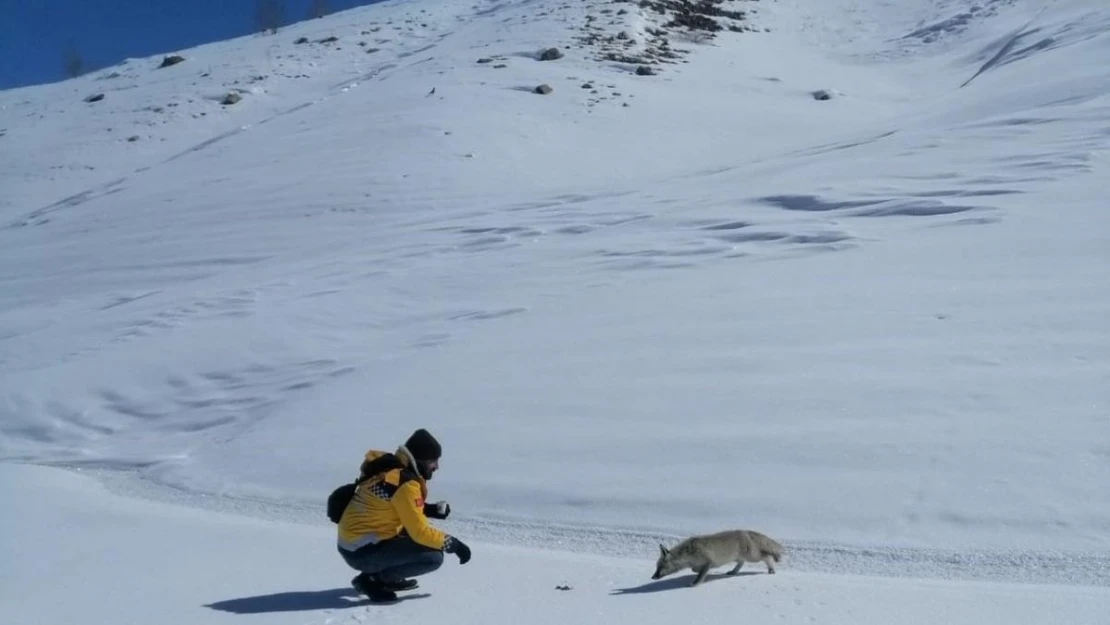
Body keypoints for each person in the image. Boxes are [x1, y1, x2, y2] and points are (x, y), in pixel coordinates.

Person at [337, 428, 471, 602]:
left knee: (419, 540)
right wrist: (455, 545)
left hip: (356, 543)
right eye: (433, 461)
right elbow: (420, 531)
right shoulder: (405, 483)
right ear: (420, 460)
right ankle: (372, 580)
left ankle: (383, 576)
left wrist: (429, 509)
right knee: (433, 557)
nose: (436, 467)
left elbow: (394, 504)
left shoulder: (392, 469)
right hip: (362, 552)